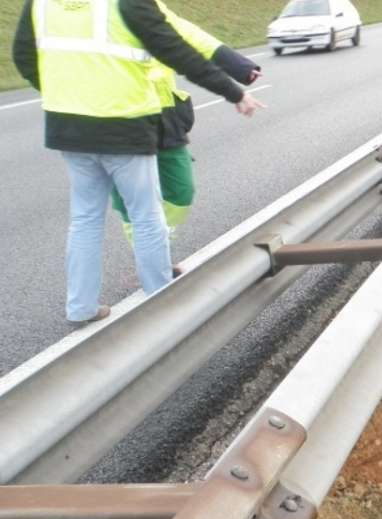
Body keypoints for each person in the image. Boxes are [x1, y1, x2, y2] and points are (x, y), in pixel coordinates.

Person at [11, 0, 266, 324]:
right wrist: (235, 93)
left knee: (85, 219)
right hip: (124, 124)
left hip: (68, 125)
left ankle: (81, 306)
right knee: (147, 217)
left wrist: (66, 94)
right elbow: (177, 51)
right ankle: (161, 302)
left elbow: (23, 56)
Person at [112, 15, 263, 253]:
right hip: (117, 118)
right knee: (129, 200)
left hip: (165, 115)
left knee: (180, 191)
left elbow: (189, 35)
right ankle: (152, 256)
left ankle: (154, 245)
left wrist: (238, 66)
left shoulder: (140, 6)